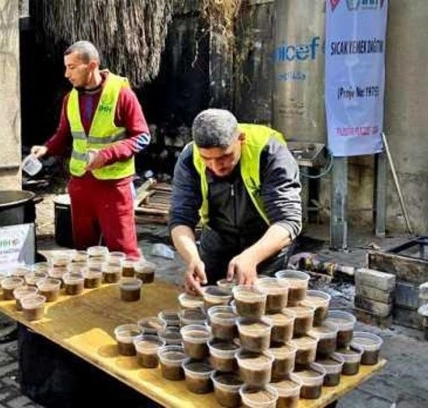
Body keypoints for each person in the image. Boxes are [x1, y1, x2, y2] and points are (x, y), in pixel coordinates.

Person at [30, 41, 150, 258]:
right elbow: (64, 134)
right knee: (84, 253)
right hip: (80, 186)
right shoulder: (71, 98)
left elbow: (142, 137)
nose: (66, 74)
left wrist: (106, 155)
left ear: (92, 65)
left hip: (113, 188)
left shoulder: (121, 94)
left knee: (124, 254)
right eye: (66, 67)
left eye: (72, 67)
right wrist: (46, 148)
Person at [169, 109, 302, 293]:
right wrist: (192, 258)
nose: (216, 166)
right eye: (207, 159)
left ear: (241, 138)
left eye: (224, 157)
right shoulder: (189, 158)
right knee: (209, 304)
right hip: (217, 239)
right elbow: (180, 219)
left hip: (265, 242)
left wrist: (252, 257)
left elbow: (288, 221)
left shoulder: (270, 153)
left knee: (259, 307)